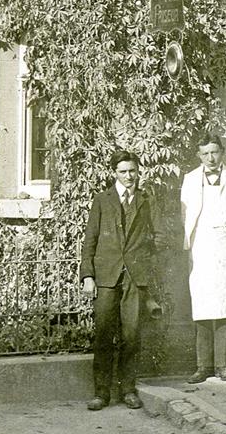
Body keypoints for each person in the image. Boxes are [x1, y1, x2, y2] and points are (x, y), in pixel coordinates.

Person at [80, 149, 157, 411]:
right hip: (106, 277)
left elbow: (152, 238)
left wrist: (147, 270)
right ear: (115, 173)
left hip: (134, 278)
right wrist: (87, 275)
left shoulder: (145, 201)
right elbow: (90, 239)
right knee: (103, 334)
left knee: (131, 336)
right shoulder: (102, 200)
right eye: (123, 171)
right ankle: (101, 393)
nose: (128, 176)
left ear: (138, 172)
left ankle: (128, 390)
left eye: (132, 171)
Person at [180, 134, 226, 383]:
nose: (211, 157)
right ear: (199, 155)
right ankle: (202, 366)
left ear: (222, 153)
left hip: (225, 247)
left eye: (215, 152)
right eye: (206, 153)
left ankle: (223, 365)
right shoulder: (189, 181)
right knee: (202, 306)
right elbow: (185, 214)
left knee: (224, 306)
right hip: (201, 248)